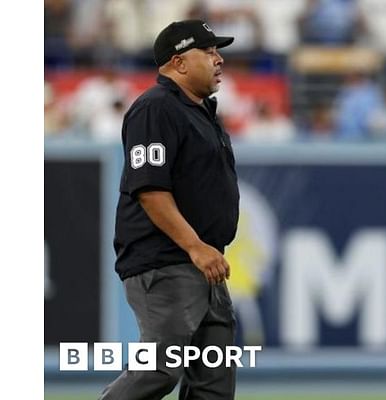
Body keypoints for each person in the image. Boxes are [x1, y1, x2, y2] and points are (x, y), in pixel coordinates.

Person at [100, 20, 239, 400]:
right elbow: (150, 190)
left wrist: (203, 251)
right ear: (178, 62)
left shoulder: (201, 112)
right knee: (160, 367)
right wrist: (195, 246)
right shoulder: (155, 108)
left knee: (212, 384)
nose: (219, 59)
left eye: (217, 51)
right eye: (209, 51)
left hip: (204, 262)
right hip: (168, 259)